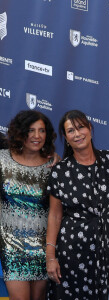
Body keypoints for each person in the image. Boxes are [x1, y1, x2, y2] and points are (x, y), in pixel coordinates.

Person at [46, 110, 109, 300]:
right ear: (65, 138)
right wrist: (50, 257)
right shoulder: (60, 171)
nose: (77, 134)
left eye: (80, 127)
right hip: (73, 250)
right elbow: (54, 216)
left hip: (108, 247)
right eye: (71, 131)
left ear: (90, 129)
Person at [0, 110, 56, 300]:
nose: (37, 136)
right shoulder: (2, 159)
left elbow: (57, 211)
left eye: (41, 131)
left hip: (42, 249)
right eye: (31, 130)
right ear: (20, 132)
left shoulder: (53, 166)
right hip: (11, 247)